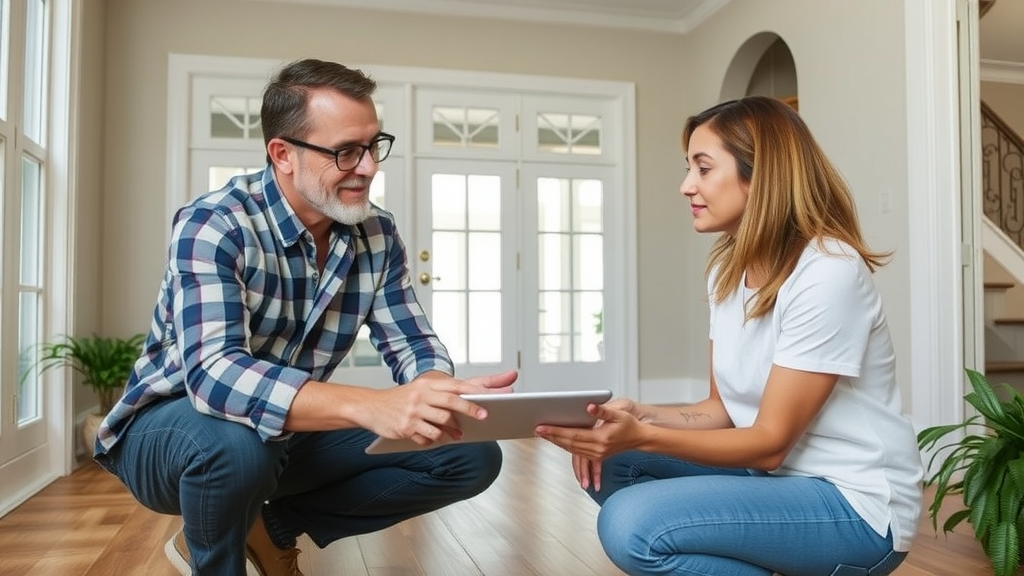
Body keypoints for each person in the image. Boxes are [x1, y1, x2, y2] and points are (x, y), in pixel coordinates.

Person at [94, 58, 518, 576]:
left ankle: (269, 530)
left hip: (279, 437)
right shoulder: (215, 223)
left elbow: (412, 342)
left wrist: (432, 391)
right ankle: (215, 562)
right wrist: (373, 406)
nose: (368, 167)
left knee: (469, 454)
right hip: (170, 435)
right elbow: (213, 376)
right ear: (283, 154)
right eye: (345, 152)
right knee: (239, 443)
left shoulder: (376, 235)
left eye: (372, 145)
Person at [536, 96, 923, 576]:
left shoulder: (828, 270)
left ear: (761, 176)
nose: (685, 187)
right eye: (688, 169)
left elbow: (769, 441)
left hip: (855, 506)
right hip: (775, 479)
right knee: (615, 463)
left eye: (702, 168)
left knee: (631, 523)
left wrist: (646, 435)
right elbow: (723, 410)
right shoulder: (727, 267)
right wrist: (640, 414)